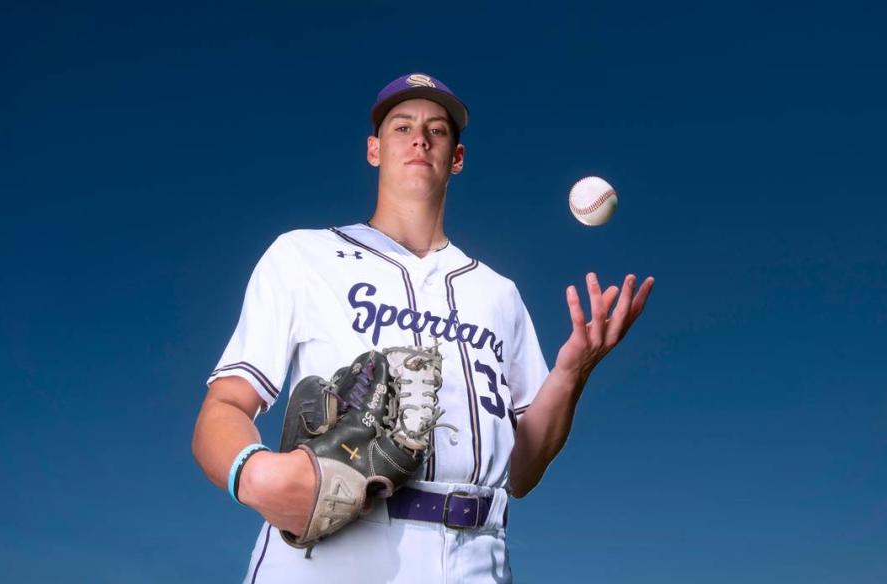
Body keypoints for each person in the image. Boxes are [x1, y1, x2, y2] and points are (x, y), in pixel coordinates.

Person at [192, 72, 654, 583]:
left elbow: (522, 473)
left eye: (437, 130)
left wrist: (571, 375)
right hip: (336, 546)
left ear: (456, 158)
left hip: (478, 555)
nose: (420, 138)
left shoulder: (498, 294)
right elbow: (226, 405)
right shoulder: (303, 256)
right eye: (402, 127)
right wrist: (255, 474)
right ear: (374, 150)